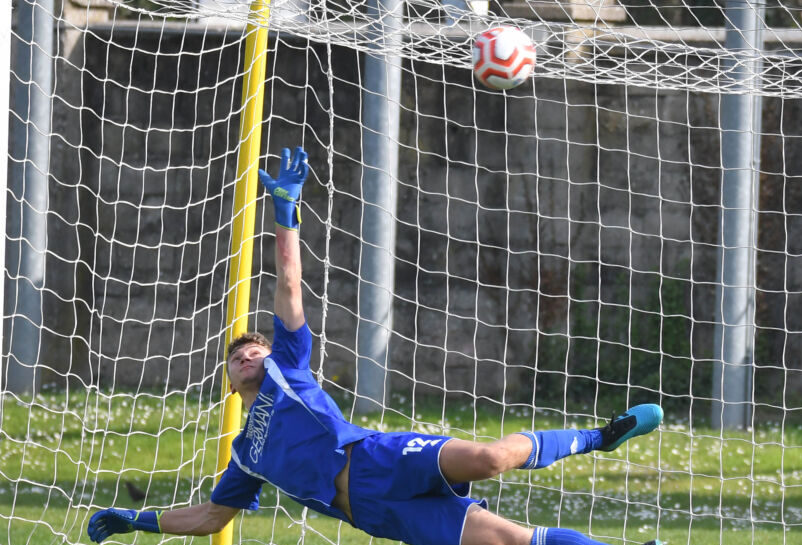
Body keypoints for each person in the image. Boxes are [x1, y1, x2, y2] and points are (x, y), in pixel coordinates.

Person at [86, 147, 665, 545]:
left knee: (488, 460)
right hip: (373, 511)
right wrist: (139, 520)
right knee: (511, 541)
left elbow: (289, 286)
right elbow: (213, 517)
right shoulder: (244, 455)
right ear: (230, 383)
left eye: (254, 347)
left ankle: (597, 438)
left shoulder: (289, 366)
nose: (247, 354)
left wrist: (284, 215)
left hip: (380, 459)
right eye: (236, 357)